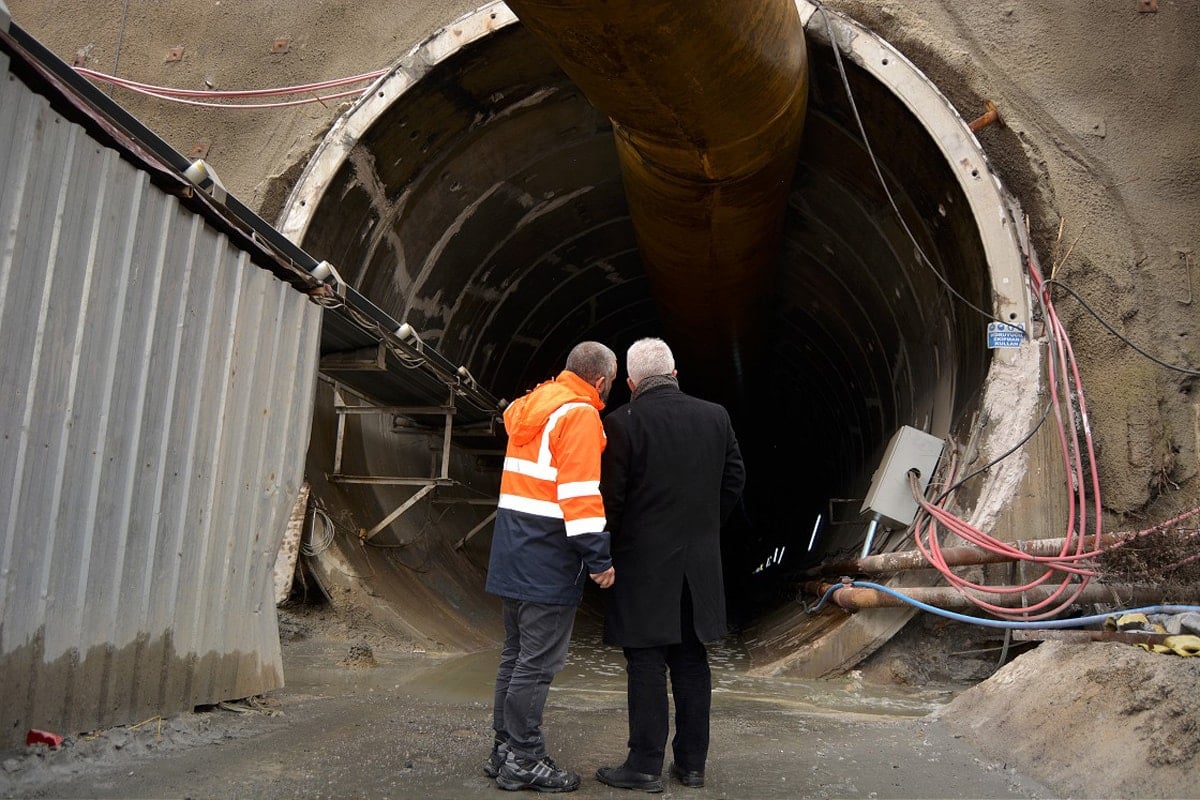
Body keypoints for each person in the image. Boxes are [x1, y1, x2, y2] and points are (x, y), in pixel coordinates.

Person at [595, 337, 746, 792]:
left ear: (633, 382)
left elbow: (611, 499)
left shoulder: (621, 423)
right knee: (691, 660)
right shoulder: (715, 416)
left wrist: (608, 548)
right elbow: (735, 477)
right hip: (698, 567)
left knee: (645, 661)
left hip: (642, 567)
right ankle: (692, 765)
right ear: (675, 374)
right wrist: (704, 527)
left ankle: (644, 765)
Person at [484, 341, 619, 793]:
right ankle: (525, 758)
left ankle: (504, 749)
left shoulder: (534, 407)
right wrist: (599, 560)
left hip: (512, 550)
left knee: (514, 655)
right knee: (536, 665)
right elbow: (580, 496)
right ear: (600, 381)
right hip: (547, 557)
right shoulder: (579, 414)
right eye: (610, 386)